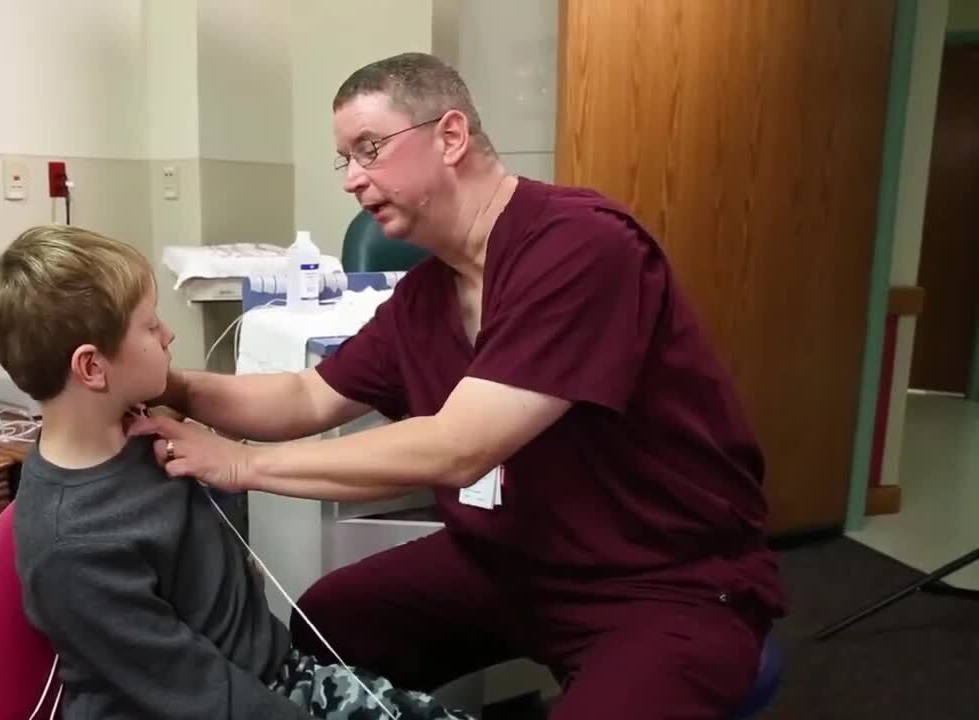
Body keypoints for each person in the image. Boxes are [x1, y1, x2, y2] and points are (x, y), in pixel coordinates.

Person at [131, 52, 788, 720]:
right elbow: (308, 396)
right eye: (345, 160)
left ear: (450, 136)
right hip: (516, 562)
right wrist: (171, 384)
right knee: (333, 623)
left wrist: (241, 464)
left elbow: (458, 447)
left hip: (661, 584)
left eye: (370, 149)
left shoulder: (581, 248)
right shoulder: (426, 297)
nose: (353, 180)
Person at [0, 224, 475, 720]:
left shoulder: (146, 431)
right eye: (150, 326)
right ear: (92, 368)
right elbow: (196, 694)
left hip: (272, 678)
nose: (167, 335)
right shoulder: (73, 547)